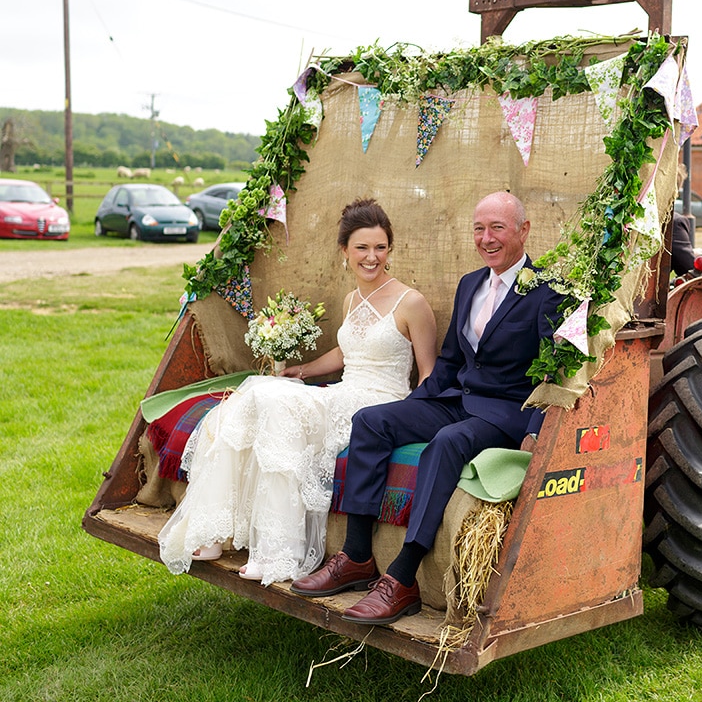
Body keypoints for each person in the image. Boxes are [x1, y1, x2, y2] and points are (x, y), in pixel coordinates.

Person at [291, 191, 564, 624]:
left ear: (523, 230)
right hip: (456, 399)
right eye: (479, 228)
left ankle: (402, 577)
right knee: (372, 421)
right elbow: (452, 361)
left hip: (504, 412)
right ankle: (357, 556)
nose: (486, 238)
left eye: (497, 227)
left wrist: (535, 428)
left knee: (447, 442)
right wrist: (414, 403)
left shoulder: (549, 290)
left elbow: (555, 370)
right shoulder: (470, 283)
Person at [158, 198, 438, 586]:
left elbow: (428, 373)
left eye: (380, 247)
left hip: (381, 404)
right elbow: (346, 351)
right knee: (262, 391)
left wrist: (417, 420)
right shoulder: (353, 299)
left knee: (276, 404)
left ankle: (279, 552)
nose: (371, 256)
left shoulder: (412, 302)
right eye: (362, 247)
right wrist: (300, 371)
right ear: (344, 251)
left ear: (390, 249)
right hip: (345, 389)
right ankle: (215, 531)